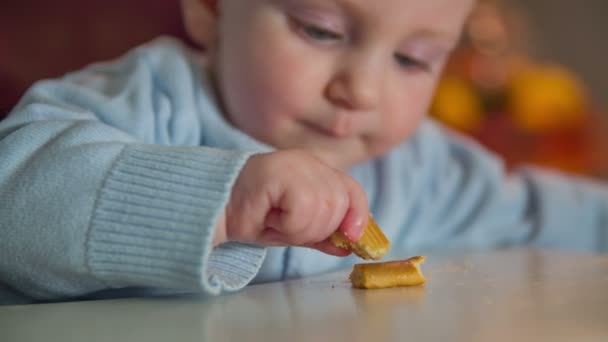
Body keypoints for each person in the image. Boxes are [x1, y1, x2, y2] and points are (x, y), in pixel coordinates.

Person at [1, 0, 606, 305]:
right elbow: (14, 197)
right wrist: (225, 199)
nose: (362, 91)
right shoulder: (151, 96)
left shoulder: (422, 168)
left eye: (412, 60)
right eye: (319, 30)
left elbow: (536, 212)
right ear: (211, 8)